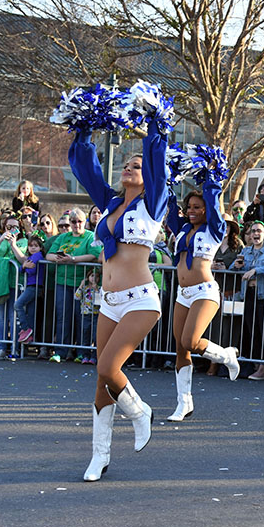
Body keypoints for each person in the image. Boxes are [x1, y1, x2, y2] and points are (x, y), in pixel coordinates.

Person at [69, 116, 169, 482]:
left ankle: (140, 413)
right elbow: (87, 170)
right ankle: (100, 456)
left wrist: (154, 128)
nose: (129, 167)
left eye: (137, 165)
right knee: (101, 382)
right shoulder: (109, 203)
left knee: (108, 368)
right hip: (108, 300)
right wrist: (83, 134)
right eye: (125, 164)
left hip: (141, 299)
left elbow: (156, 158)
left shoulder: (154, 203)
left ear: (150, 174)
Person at [166, 179, 238, 422]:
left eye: (197, 207)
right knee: (180, 347)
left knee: (191, 341)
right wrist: (167, 180)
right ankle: (183, 403)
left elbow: (215, 205)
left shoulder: (214, 229)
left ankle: (226, 356)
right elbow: (168, 205)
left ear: (206, 208)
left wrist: (210, 179)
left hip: (205, 291)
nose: (191, 211)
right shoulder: (183, 228)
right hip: (182, 293)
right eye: (189, 207)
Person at [44, 208, 101, 362]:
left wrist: (73, 259)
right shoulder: (63, 237)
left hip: (82, 284)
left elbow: (94, 255)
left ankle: (82, 352)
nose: (76, 224)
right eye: (73, 222)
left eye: (80, 221)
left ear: (85, 222)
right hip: (62, 281)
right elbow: (48, 254)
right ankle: (61, 351)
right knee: (63, 316)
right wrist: (58, 258)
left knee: (81, 317)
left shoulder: (90, 236)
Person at [231, 221, 264, 381]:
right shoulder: (245, 251)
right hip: (249, 295)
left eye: (259, 231)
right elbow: (232, 268)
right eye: (252, 231)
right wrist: (236, 266)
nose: (255, 234)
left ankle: (263, 368)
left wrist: (256, 270)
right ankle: (254, 364)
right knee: (252, 331)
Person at [0, 214, 27, 359]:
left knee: (12, 315)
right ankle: (2, 347)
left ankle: (14, 346)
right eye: (9, 227)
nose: (12, 230)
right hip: (1, 282)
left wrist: (13, 245)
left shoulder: (24, 241)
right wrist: (2, 239)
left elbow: (22, 259)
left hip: (16, 282)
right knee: (1, 316)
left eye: (15, 227)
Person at [14, 234, 45, 345]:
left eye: (35, 246)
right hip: (33, 286)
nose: (32, 248)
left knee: (17, 305)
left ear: (40, 247)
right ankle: (29, 338)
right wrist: (24, 266)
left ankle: (25, 329)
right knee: (31, 313)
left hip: (33, 287)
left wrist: (25, 266)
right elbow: (23, 269)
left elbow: (31, 271)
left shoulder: (37, 256)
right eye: (30, 246)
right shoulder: (31, 257)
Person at [74, 267, 101, 365]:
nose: (94, 279)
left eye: (97, 277)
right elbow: (76, 297)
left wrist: (96, 289)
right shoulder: (85, 288)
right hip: (85, 314)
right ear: (88, 277)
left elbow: (99, 302)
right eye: (92, 276)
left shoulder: (99, 289)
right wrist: (81, 285)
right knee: (85, 334)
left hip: (95, 314)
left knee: (95, 335)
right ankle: (85, 355)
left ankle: (94, 356)